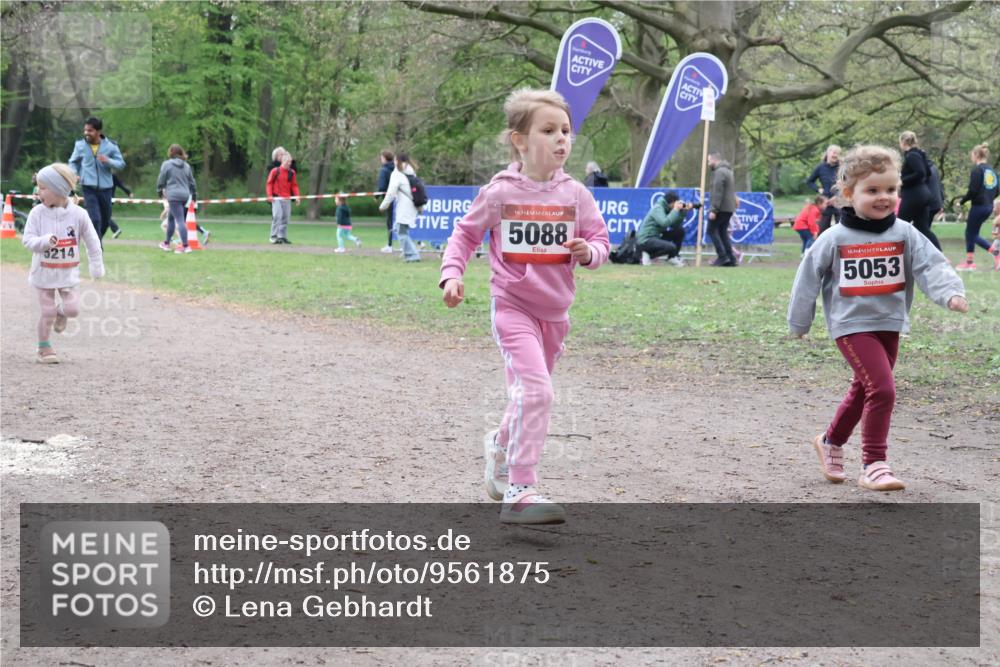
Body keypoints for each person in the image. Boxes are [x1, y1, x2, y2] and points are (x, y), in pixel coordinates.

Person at [439, 88, 610, 524]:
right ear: (519, 140)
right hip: (512, 307)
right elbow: (463, 235)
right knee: (537, 392)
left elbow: (602, 242)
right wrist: (452, 273)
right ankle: (521, 488)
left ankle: (499, 444)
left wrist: (587, 253)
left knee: (528, 395)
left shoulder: (576, 195)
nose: (561, 140)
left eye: (566, 131)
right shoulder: (500, 193)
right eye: (548, 130)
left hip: (556, 315)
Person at [788, 144, 967, 492]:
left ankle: (830, 441)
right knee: (882, 390)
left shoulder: (904, 233)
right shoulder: (835, 238)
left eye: (890, 190)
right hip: (851, 326)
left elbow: (931, 264)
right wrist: (799, 322)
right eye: (872, 191)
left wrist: (951, 293)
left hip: (890, 323)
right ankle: (873, 463)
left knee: (864, 389)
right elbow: (807, 277)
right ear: (848, 193)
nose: (883, 197)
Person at [21, 164, 105, 363]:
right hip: (43, 273)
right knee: (47, 311)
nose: (37, 191)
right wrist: (44, 241)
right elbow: (27, 240)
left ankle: (61, 313)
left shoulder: (79, 214)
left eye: (42, 188)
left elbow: (93, 242)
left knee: (73, 309)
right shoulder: (37, 214)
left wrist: (96, 266)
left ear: (58, 189)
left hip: (68, 275)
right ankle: (44, 347)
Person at [67, 116, 126, 243]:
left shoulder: (111, 146)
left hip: (106, 188)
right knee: (95, 219)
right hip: (88, 187)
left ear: (99, 132)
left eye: (90, 131)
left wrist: (108, 161)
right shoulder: (80, 146)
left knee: (105, 219)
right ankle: (97, 246)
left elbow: (121, 164)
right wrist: (74, 173)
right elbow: (73, 162)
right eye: (85, 130)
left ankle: (97, 241)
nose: (86, 133)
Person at [956, 142, 1000, 271]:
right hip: (988, 206)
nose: (971, 157)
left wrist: (962, 201)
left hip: (979, 206)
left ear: (976, 155)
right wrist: (989, 198)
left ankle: (994, 254)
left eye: (972, 154)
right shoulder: (992, 171)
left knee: (971, 234)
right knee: (971, 233)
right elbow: (998, 190)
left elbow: (973, 190)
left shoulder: (977, 170)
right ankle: (970, 262)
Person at [898, 131, 941, 251]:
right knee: (923, 228)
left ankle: (897, 253)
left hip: (913, 196)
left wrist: (902, 180)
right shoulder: (920, 154)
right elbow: (927, 172)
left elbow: (921, 173)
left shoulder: (912, 156)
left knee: (899, 225)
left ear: (903, 142)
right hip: (923, 195)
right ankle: (939, 254)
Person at [378, 152, 422, 262]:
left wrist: (383, 205)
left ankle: (413, 255)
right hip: (413, 205)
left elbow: (391, 192)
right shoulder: (411, 172)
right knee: (402, 230)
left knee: (401, 231)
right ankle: (409, 253)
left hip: (404, 206)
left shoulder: (397, 174)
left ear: (397, 161)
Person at [156, 144, 198, 254]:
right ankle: (166, 243)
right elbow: (192, 182)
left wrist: (159, 190)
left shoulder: (167, 164)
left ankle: (186, 246)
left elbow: (161, 179)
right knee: (171, 218)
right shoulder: (186, 166)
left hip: (173, 196)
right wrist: (194, 196)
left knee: (180, 221)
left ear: (170, 153)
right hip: (185, 195)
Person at [637, 192, 686, 266]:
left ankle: (672, 257)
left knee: (679, 231)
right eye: (676, 203)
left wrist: (682, 212)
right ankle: (647, 255)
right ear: (672, 202)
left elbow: (674, 225)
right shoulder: (658, 208)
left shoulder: (667, 209)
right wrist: (675, 210)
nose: (677, 205)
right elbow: (664, 223)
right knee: (671, 247)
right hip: (646, 240)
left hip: (656, 237)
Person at [706, 151, 738, 266]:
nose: (708, 163)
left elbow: (717, 192)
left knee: (711, 230)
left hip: (721, 208)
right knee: (722, 232)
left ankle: (722, 256)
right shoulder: (729, 171)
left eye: (709, 161)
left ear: (714, 160)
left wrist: (714, 209)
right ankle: (731, 258)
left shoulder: (719, 172)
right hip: (729, 208)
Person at [804, 144, 841, 234]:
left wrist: (838, 196)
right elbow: (809, 181)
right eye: (833, 152)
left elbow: (849, 183)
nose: (835, 155)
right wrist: (818, 189)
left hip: (839, 202)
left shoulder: (841, 167)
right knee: (823, 230)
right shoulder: (820, 168)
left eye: (837, 153)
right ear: (827, 153)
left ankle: (840, 248)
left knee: (841, 229)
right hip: (825, 203)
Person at [266, 151, 300, 244]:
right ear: (282, 161)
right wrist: (269, 195)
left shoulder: (292, 173)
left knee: (285, 217)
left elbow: (294, 185)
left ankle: (282, 236)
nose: (289, 163)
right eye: (287, 161)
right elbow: (269, 184)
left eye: (290, 162)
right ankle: (273, 236)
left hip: (287, 198)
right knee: (277, 216)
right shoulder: (275, 171)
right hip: (276, 198)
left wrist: (297, 196)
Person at [377, 150, 395, 253]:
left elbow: (382, 186)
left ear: (384, 158)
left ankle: (390, 245)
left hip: (389, 198)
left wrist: (377, 196)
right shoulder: (397, 169)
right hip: (400, 198)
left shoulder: (384, 170)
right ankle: (419, 243)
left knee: (390, 222)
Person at [107, 173, 132, 239]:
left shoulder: (112, 176)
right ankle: (115, 229)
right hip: (104, 198)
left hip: (107, 199)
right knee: (102, 216)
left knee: (104, 216)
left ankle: (116, 229)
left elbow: (120, 185)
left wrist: (128, 192)